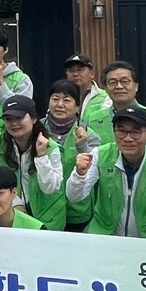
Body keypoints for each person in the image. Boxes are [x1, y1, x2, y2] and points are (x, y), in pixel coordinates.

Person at [66, 105, 146, 240]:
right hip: (104, 237)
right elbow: (74, 197)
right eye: (121, 131)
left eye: (136, 132)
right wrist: (79, 175)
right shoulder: (100, 155)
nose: (128, 138)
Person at [0, 95, 67, 230]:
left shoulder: (51, 147)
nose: (14, 123)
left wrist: (41, 156)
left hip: (48, 218)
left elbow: (50, 188)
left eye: (19, 118)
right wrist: (15, 203)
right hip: (13, 215)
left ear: (34, 119)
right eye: (8, 119)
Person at [43, 78, 98, 230]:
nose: (60, 105)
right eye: (55, 99)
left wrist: (82, 146)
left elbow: (94, 170)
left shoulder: (89, 135)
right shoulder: (36, 131)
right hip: (45, 209)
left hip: (78, 209)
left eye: (67, 100)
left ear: (77, 107)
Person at [82, 61, 146, 152]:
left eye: (125, 81)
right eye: (112, 82)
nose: (119, 86)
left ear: (136, 86)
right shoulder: (92, 119)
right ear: (105, 89)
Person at [63, 53, 108, 119]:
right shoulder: (59, 99)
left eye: (80, 70)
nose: (75, 74)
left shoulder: (105, 97)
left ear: (91, 74)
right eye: (71, 71)